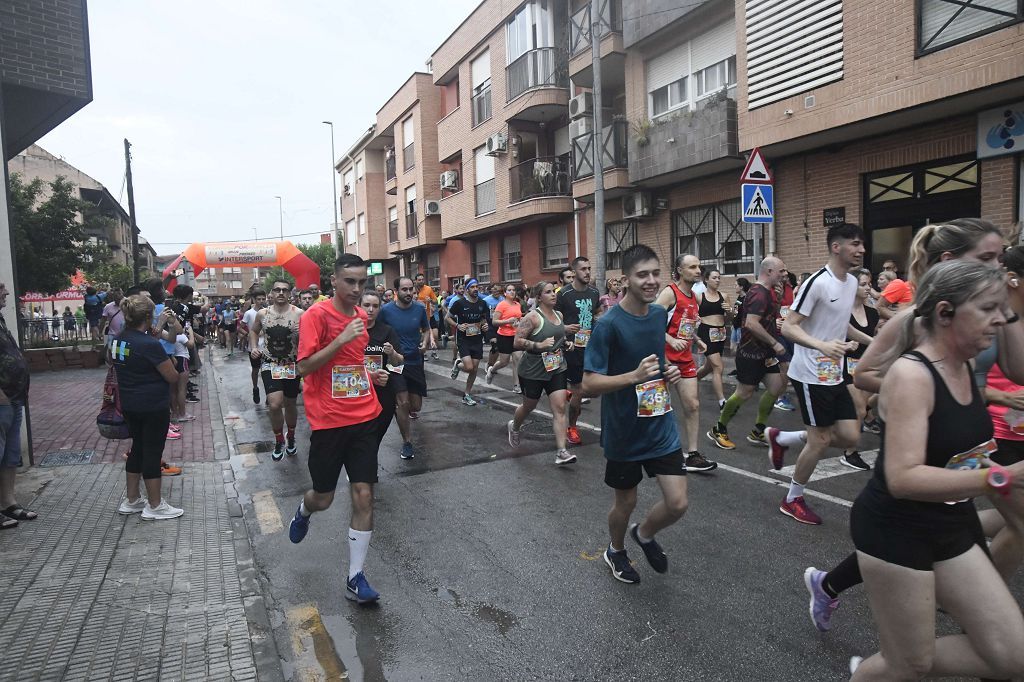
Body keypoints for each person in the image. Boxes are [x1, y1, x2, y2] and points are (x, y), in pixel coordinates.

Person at [804, 219, 1020, 632]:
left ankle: (981, 623)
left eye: (1002, 257)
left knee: (942, 520)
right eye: (988, 258)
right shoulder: (915, 321)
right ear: (949, 262)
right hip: (926, 439)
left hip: (972, 441)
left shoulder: (996, 312)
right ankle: (977, 624)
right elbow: (864, 375)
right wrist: (923, 393)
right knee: (903, 520)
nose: (999, 267)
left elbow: (1017, 368)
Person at [846, 261, 1024, 680]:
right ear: (945, 313)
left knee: (1014, 657)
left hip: (951, 521)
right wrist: (1003, 477)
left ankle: (890, 663)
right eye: (988, 309)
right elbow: (903, 479)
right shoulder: (912, 375)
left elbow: (960, 448)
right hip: (896, 529)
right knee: (911, 663)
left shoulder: (963, 365)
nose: (1000, 320)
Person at [583, 244, 690, 584]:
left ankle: (643, 534)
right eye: (642, 274)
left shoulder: (659, 315)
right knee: (625, 502)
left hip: (659, 424)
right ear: (625, 279)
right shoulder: (608, 325)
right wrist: (633, 377)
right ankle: (615, 549)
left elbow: (654, 358)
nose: (651, 281)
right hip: (624, 431)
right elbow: (588, 383)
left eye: (655, 273)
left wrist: (668, 370)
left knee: (677, 503)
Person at [289, 254, 385, 605]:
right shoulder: (316, 316)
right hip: (328, 422)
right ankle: (304, 511)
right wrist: (341, 339)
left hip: (363, 416)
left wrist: (370, 375)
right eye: (350, 282)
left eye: (362, 282)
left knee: (364, 495)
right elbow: (303, 368)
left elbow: (354, 362)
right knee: (324, 497)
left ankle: (355, 577)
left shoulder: (361, 317)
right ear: (334, 281)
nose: (357, 290)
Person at [767, 222, 865, 525]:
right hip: (809, 372)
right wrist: (822, 344)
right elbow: (790, 326)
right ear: (837, 247)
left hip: (833, 371)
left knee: (850, 434)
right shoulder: (818, 283)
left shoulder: (849, 283)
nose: (861, 249)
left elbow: (840, 323)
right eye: (855, 244)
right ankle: (792, 498)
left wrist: (873, 342)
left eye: (861, 244)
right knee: (821, 439)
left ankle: (783, 438)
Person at [111, 294, 184, 520]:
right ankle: (155, 505)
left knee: (138, 449)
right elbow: (172, 376)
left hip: (130, 404)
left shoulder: (118, 339)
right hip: (153, 405)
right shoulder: (149, 344)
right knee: (152, 453)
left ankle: (132, 500)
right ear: (148, 316)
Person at [708, 257, 789, 450]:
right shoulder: (758, 293)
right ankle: (719, 429)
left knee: (777, 387)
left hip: (766, 354)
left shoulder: (766, 292)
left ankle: (758, 430)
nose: (784, 274)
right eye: (781, 271)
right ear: (769, 271)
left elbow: (766, 317)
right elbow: (751, 323)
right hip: (750, 353)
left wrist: (777, 302)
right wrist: (775, 343)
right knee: (744, 393)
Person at [654, 255, 717, 472]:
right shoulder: (670, 292)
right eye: (692, 267)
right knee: (658, 407)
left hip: (685, 360)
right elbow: (651, 320)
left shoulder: (694, 297)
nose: (698, 270)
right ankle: (655, 448)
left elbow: (686, 325)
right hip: (664, 359)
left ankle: (692, 454)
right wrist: (670, 340)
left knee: (693, 405)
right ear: (680, 270)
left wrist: (697, 340)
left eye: (699, 266)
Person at [508, 281, 572, 464]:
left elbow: (559, 336)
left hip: (557, 367)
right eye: (548, 292)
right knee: (529, 406)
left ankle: (561, 451)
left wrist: (566, 343)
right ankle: (515, 426)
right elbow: (517, 342)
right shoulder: (532, 317)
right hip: (533, 369)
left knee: (560, 408)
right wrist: (538, 345)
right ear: (539, 297)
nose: (553, 294)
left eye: (554, 291)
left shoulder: (559, 315)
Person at [249, 279, 303, 461]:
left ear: (290, 294)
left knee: (290, 403)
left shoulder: (299, 314)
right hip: (270, 362)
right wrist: (254, 346)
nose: (281, 293)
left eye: (284, 290)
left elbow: (309, 339)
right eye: (277, 290)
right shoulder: (263, 314)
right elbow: (254, 331)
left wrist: (300, 334)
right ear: (271, 293)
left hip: (291, 364)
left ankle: (292, 437)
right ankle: (279, 439)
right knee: (274, 404)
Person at [379, 276, 433, 458]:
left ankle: (402, 412)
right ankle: (407, 441)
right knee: (402, 403)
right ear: (396, 291)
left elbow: (426, 329)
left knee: (415, 406)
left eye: (411, 289)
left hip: (415, 361)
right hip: (395, 363)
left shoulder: (419, 308)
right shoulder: (385, 311)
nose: (409, 293)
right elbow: (377, 331)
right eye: (405, 289)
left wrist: (425, 343)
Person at [0, 281, 34, 530]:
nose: (7, 292)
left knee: (10, 455)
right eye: (1, 288)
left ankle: (8, 503)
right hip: (2, 399)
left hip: (15, 397)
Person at [556, 257, 601, 446]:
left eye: (589, 268)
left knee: (594, 390)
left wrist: (598, 323)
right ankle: (572, 427)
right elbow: (554, 319)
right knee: (578, 389)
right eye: (583, 269)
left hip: (590, 346)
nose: (588, 272)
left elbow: (596, 313)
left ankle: (569, 394)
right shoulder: (564, 294)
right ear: (574, 272)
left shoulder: (594, 292)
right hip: (572, 347)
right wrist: (565, 330)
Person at [840, 269, 879, 470]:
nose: (868, 287)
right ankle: (850, 453)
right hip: (844, 365)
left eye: (869, 283)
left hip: (865, 365)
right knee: (859, 409)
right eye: (863, 284)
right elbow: (845, 331)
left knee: (860, 410)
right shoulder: (842, 310)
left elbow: (878, 334)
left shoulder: (873, 312)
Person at [361, 291, 403, 446]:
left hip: (383, 390)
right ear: (358, 307)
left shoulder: (387, 331)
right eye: (366, 305)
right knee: (361, 438)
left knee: (375, 438)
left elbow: (398, 363)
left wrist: (392, 353)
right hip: (358, 391)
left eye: (375, 306)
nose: (370, 309)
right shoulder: (350, 330)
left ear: (380, 309)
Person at [447, 279, 490, 406]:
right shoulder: (459, 303)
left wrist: (485, 325)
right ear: (467, 289)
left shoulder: (482, 303)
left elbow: (483, 319)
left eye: (477, 286)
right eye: (472, 287)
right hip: (463, 339)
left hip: (477, 339)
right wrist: (457, 325)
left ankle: (466, 394)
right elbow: (447, 317)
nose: (475, 289)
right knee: (469, 367)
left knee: (474, 369)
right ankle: (458, 364)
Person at [694, 268, 731, 408]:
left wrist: (729, 311)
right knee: (718, 366)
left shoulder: (725, 296)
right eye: (714, 278)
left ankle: (691, 380)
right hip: (706, 332)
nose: (717, 280)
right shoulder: (699, 297)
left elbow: (730, 318)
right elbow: (692, 314)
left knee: (708, 367)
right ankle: (722, 402)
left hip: (721, 333)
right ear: (707, 280)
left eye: (719, 278)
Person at [486, 283, 523, 389]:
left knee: (517, 359)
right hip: (504, 336)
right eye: (509, 290)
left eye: (513, 290)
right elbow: (494, 322)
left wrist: (519, 322)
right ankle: (492, 370)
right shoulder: (501, 305)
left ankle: (517, 385)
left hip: (516, 335)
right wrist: (507, 321)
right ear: (505, 293)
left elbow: (518, 318)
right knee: (504, 361)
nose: (512, 292)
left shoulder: (517, 304)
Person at [243, 289, 268, 403]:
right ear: (254, 299)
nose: (261, 301)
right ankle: (255, 388)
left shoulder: (268, 311)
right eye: (259, 299)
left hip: (267, 347)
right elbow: (240, 326)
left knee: (267, 370)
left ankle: (269, 393)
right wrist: (248, 334)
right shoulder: (249, 313)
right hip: (253, 347)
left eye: (263, 299)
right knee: (256, 370)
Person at [414, 273, 440, 360]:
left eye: (422, 279)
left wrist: (431, 300)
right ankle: (423, 352)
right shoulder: (413, 290)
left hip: (429, 315)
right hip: (418, 317)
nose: (421, 281)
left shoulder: (428, 289)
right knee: (421, 336)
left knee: (435, 335)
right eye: (419, 280)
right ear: (416, 281)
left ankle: (434, 351)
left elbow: (435, 302)